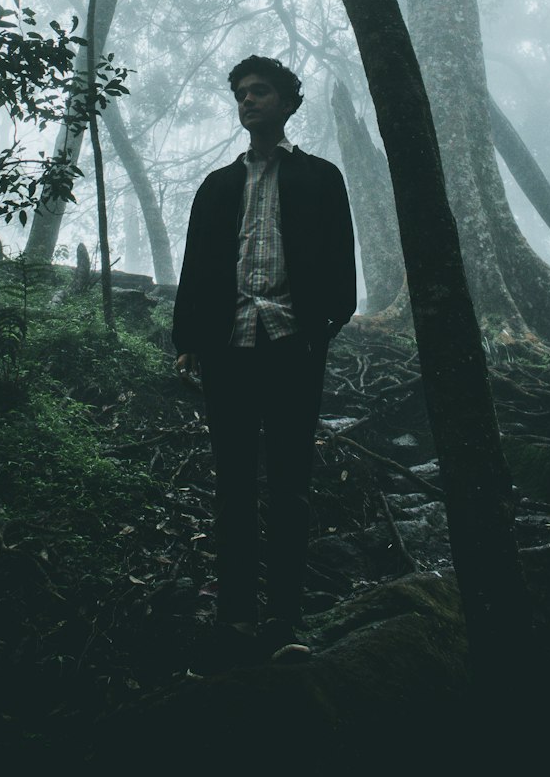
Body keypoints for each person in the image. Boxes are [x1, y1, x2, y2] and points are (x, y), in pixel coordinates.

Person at [173, 55, 356, 665]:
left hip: (291, 348)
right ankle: (235, 617)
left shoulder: (320, 178)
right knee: (232, 484)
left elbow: (339, 265)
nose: (248, 101)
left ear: (287, 102)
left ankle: (283, 619)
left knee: (288, 484)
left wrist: (320, 329)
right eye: (242, 93)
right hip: (229, 351)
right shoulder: (217, 185)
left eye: (260, 92)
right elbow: (196, 266)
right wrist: (189, 341)